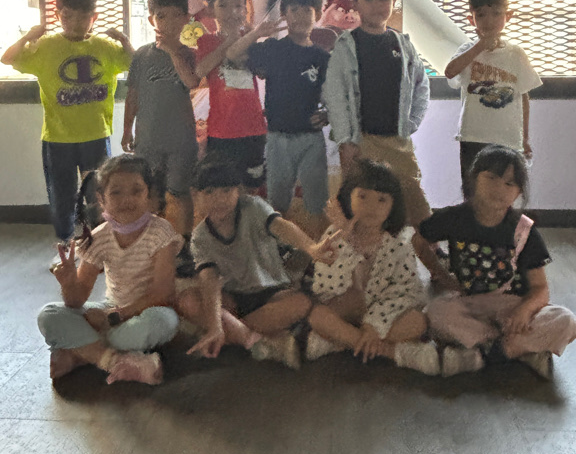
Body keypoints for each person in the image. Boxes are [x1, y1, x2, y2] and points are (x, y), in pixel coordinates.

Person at [412, 145, 576, 378]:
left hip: (513, 307)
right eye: (491, 178)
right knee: (435, 313)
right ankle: (519, 350)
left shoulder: (523, 230)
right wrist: (441, 275)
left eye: (509, 183)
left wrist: (523, 311)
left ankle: (483, 354)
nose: (499, 188)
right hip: (471, 303)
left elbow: (540, 289)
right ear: (473, 179)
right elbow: (419, 241)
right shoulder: (454, 218)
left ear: (518, 192)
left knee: (566, 321)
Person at [1, 0, 133, 246]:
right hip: (57, 137)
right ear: (58, 15)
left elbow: (134, 62)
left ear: (94, 17)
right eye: (68, 16)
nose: (75, 23)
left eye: (84, 17)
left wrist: (123, 39)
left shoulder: (104, 47)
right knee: (62, 194)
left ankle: (100, 242)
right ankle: (65, 243)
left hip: (95, 134)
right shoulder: (47, 46)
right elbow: (8, 58)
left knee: (99, 192)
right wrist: (28, 37)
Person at [175, 158, 341, 370]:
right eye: (209, 192)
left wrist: (311, 248)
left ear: (238, 191)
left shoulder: (253, 207)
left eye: (226, 191)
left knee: (301, 302)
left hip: (272, 292)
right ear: (194, 194)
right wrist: (215, 323)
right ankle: (258, 340)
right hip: (233, 298)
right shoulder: (200, 237)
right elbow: (210, 280)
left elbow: (282, 226)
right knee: (188, 300)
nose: (219, 199)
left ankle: (231, 334)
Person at [37, 154, 180, 384]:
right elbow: (77, 300)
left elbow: (162, 293)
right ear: (101, 199)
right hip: (111, 311)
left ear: (148, 196)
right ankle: (114, 360)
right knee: (48, 315)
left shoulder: (161, 233)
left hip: (146, 312)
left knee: (163, 322)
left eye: (136, 191)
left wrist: (116, 316)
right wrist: (69, 284)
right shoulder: (99, 237)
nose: (127, 200)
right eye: (116, 192)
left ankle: (81, 352)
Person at [305, 159, 439, 374]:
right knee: (318, 316)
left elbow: (406, 292)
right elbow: (326, 287)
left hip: (386, 315)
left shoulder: (399, 242)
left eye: (382, 199)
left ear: (393, 204)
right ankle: (393, 352)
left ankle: (344, 342)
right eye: (363, 196)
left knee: (418, 321)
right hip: (347, 312)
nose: (372, 207)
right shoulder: (334, 236)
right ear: (348, 197)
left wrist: (373, 325)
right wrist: (346, 240)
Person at [323, 0, 430, 226]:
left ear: (394, 1)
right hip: (361, 142)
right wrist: (346, 141)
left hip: (398, 141)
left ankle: (418, 248)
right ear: (355, 3)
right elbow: (335, 96)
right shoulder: (346, 45)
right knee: (359, 208)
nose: (377, 6)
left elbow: (421, 85)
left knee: (413, 205)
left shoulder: (403, 44)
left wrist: (411, 122)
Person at [226, 0, 329, 237]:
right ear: (284, 14)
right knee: (277, 203)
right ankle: (277, 251)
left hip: (311, 139)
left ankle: (316, 254)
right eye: (294, 10)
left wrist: (328, 114)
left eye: (307, 10)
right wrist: (258, 32)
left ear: (317, 14)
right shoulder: (273, 48)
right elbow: (232, 54)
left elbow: (332, 95)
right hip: (277, 137)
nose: (301, 16)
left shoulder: (322, 57)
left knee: (317, 203)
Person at [444, 0, 542, 197]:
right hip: (473, 136)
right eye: (481, 15)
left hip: (507, 138)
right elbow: (450, 72)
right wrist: (479, 46)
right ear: (471, 20)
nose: (488, 21)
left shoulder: (515, 54)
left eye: (496, 13)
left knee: (504, 191)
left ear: (508, 16)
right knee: (473, 192)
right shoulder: (467, 50)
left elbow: (524, 96)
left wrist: (525, 138)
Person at [122, 0, 198, 238]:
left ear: (187, 18)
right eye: (162, 16)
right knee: (150, 193)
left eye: (177, 15)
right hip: (148, 138)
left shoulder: (191, 53)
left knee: (180, 191)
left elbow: (193, 82)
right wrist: (127, 129)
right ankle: (152, 242)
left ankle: (185, 243)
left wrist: (172, 52)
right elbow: (133, 95)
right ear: (151, 20)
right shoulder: (142, 55)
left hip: (181, 139)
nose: (169, 22)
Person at [193, 0, 268, 189]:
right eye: (223, 5)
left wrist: (251, 38)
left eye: (238, 5)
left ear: (245, 10)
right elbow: (200, 71)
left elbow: (262, 72)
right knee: (223, 187)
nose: (231, 11)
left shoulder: (251, 38)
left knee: (252, 186)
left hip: (253, 127)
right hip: (221, 130)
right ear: (211, 10)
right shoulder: (206, 41)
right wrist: (229, 40)